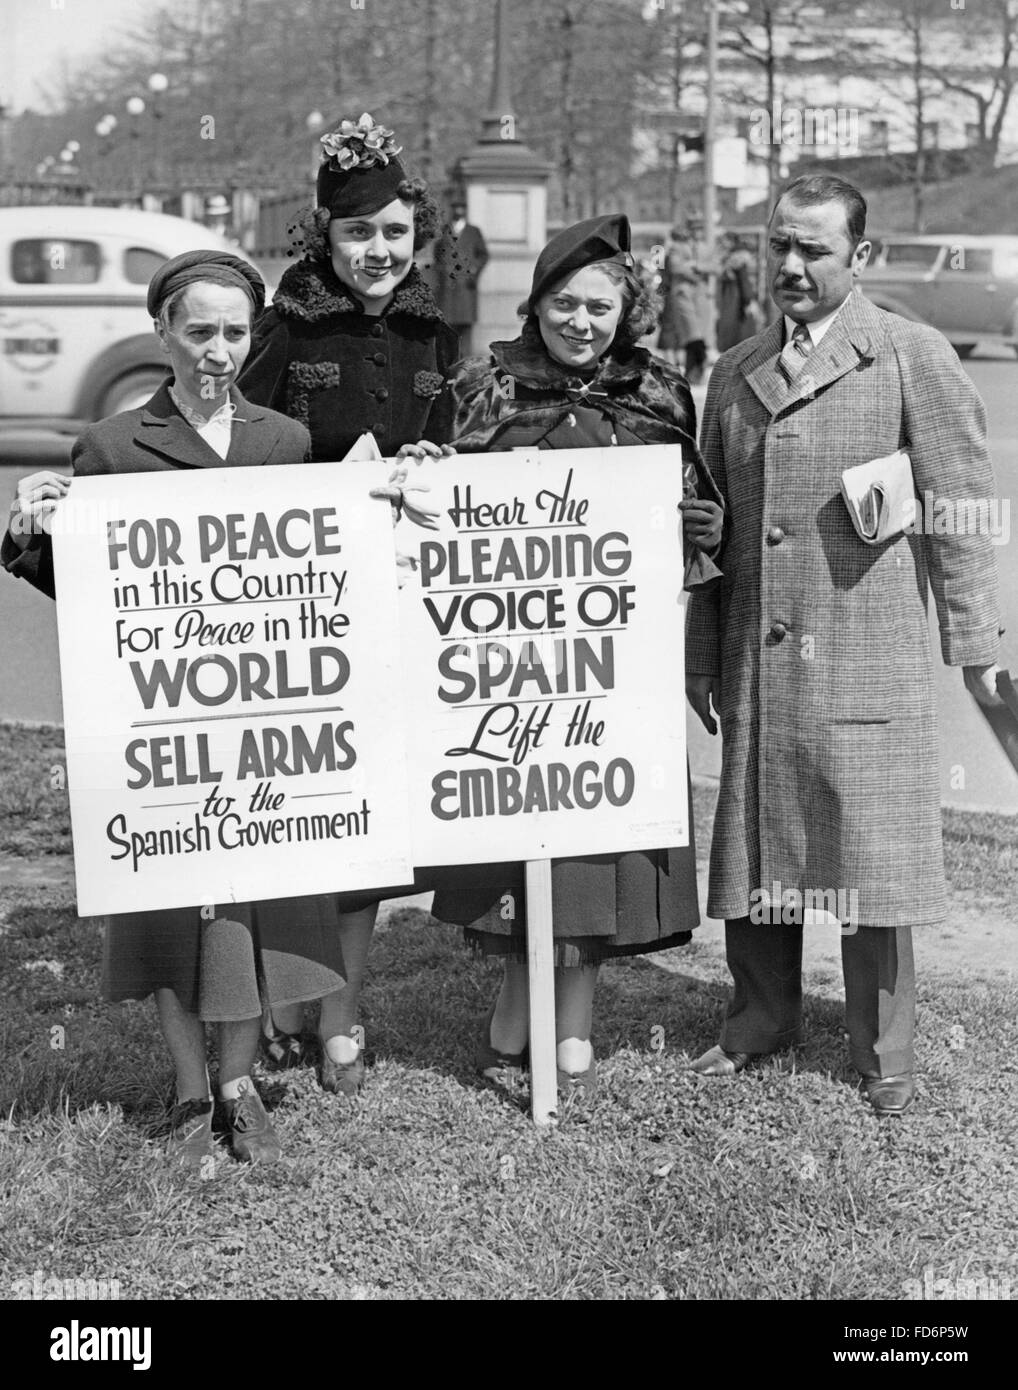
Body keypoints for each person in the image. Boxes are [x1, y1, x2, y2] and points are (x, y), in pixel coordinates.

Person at [1, 251, 351, 1166]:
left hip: (259, 719)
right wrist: (28, 538)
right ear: (162, 332)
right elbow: (93, 597)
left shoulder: (285, 442)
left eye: (236, 332)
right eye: (199, 332)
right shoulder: (112, 448)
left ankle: (240, 1085)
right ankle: (192, 1086)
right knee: (166, 897)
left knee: (251, 898)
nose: (219, 352)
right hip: (160, 723)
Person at [685, 173, 1003, 1116]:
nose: (789, 265)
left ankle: (884, 1054)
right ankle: (757, 1021)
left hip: (869, 661)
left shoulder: (910, 355)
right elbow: (714, 538)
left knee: (875, 866)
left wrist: (976, 640)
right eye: (779, 244)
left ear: (859, 258)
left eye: (813, 250)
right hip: (760, 659)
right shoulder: (734, 371)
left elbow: (958, 506)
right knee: (758, 854)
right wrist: (705, 655)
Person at [433, 213, 725, 1099]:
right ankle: (516, 1017)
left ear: (626, 309)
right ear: (536, 302)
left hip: (611, 673)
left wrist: (705, 530)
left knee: (599, 848)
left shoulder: (661, 395)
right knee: (521, 838)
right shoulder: (480, 388)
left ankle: (574, 1028)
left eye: (600, 306)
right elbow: (431, 514)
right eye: (564, 303)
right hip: (509, 675)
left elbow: (695, 527)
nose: (581, 323)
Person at [238, 112, 459, 1095]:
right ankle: (285, 993)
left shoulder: (431, 334)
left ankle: (342, 1008)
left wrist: (436, 467)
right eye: (357, 233)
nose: (377, 252)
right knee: (299, 813)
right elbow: (239, 453)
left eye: (394, 235)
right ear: (325, 236)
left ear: (418, 239)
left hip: (395, 614)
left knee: (371, 820)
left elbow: (451, 451)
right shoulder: (286, 329)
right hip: (301, 610)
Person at [428, 196, 489, 357]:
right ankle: (448, 362)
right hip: (447, 289)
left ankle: (466, 365)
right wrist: (442, 270)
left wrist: (474, 271)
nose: (458, 211)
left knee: (466, 328)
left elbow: (483, 255)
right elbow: (437, 255)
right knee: (447, 327)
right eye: (455, 207)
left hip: (466, 288)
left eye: (461, 207)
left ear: (465, 210)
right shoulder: (445, 230)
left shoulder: (473, 232)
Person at [656, 226, 708, 382]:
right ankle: (682, 367)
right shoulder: (673, 249)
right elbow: (668, 269)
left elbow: (661, 270)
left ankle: (676, 368)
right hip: (677, 295)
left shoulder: (666, 250)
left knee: (675, 333)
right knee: (682, 334)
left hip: (674, 295)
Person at [716, 232, 760, 351]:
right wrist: (749, 299)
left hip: (734, 299)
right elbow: (744, 281)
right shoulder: (738, 258)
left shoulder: (734, 259)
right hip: (737, 299)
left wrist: (748, 299)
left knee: (734, 334)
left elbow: (743, 280)